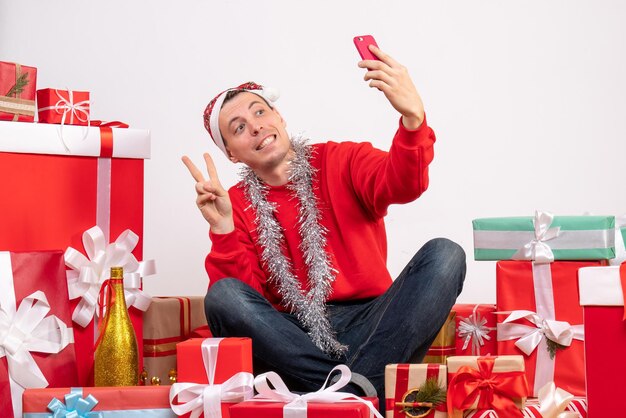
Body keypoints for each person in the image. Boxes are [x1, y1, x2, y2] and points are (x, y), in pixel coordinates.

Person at [183, 43, 466, 412]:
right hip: (292, 339)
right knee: (223, 296)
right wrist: (222, 228)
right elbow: (244, 305)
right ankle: (358, 393)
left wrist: (413, 120)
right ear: (232, 153)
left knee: (446, 255)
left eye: (260, 112)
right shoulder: (233, 202)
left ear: (279, 118)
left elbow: (403, 184)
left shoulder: (341, 159)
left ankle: (335, 397)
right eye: (239, 128)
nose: (255, 126)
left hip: (373, 324)